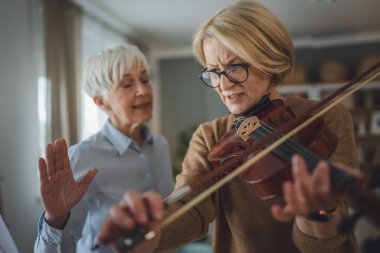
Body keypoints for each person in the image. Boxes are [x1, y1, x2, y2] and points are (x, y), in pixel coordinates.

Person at [97, 1, 362, 252]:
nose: (223, 85)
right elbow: (190, 207)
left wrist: (318, 211)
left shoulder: (325, 117)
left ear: (269, 61)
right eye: (213, 71)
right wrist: (148, 236)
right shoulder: (211, 137)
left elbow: (326, 241)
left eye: (234, 67)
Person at [34, 44, 174, 253]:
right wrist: (55, 219)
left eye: (145, 80)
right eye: (127, 84)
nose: (143, 90)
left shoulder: (160, 145)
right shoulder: (82, 156)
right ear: (101, 102)